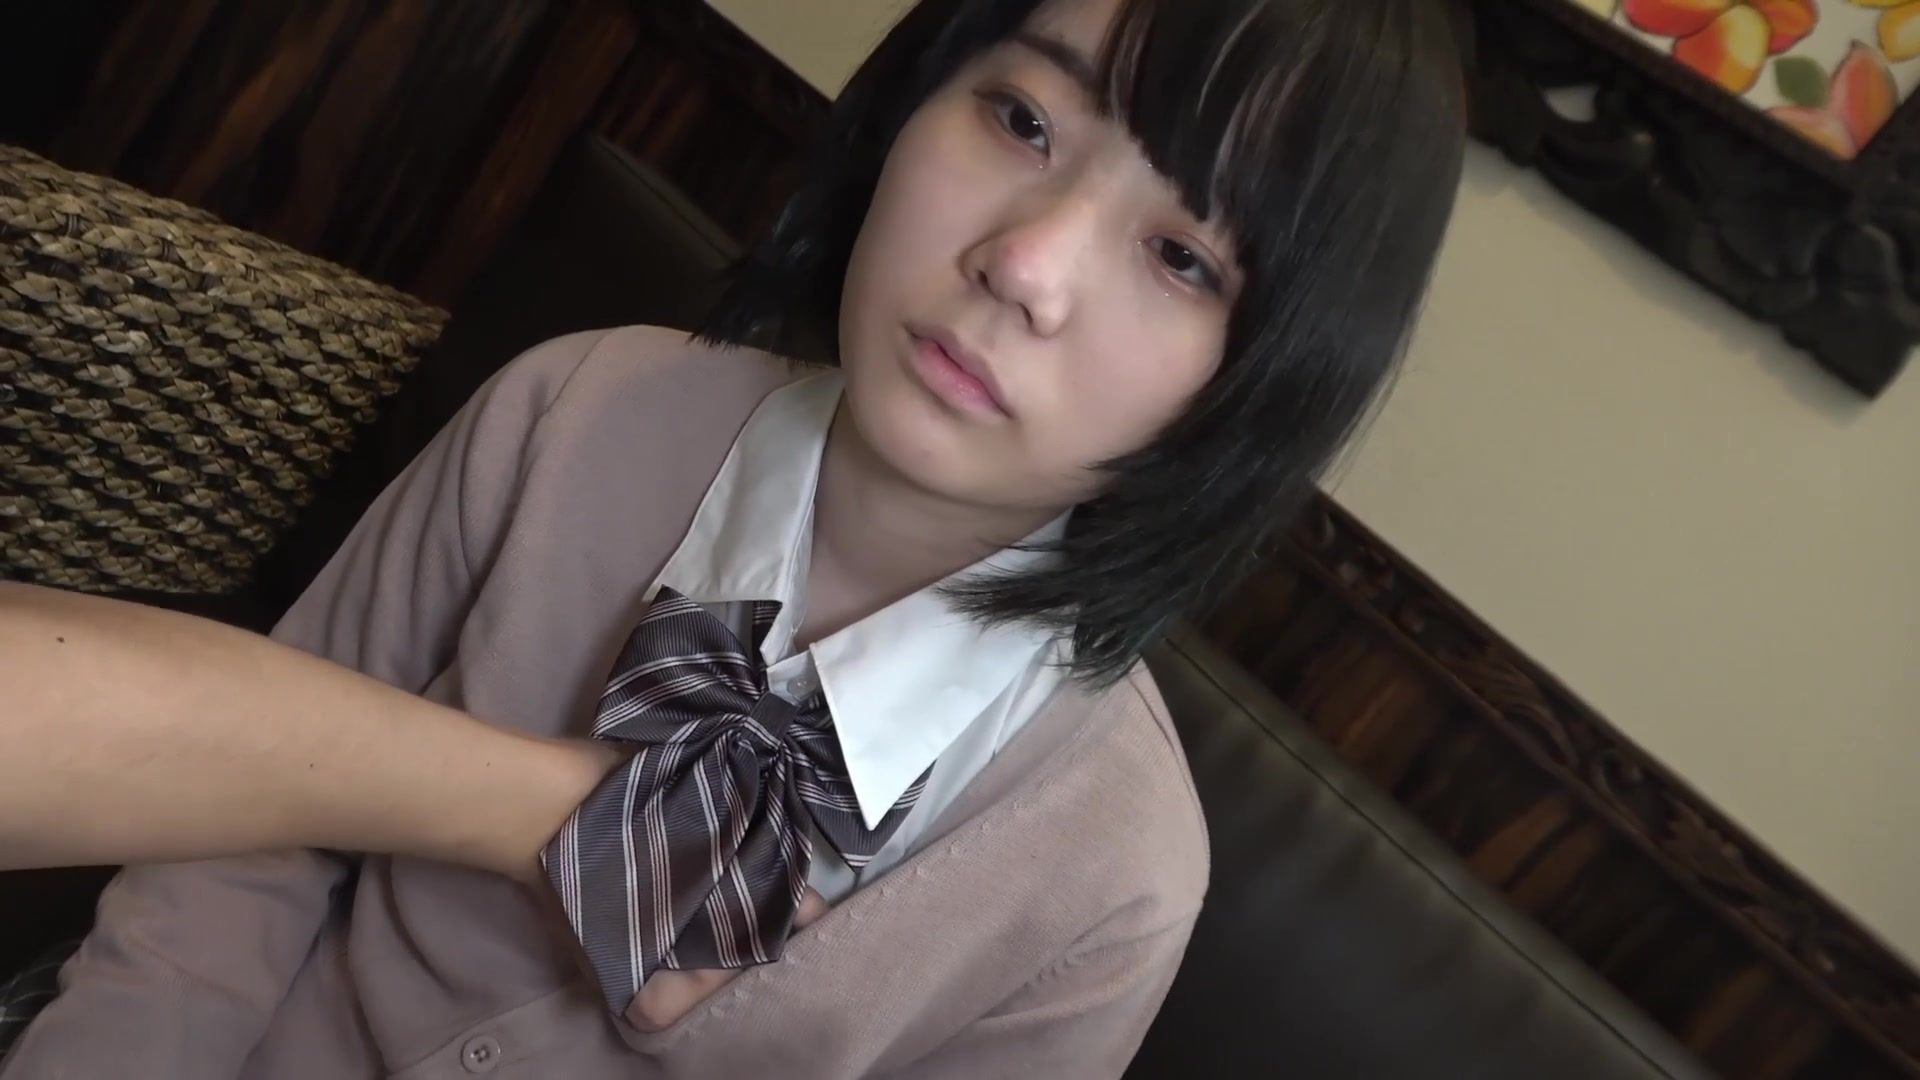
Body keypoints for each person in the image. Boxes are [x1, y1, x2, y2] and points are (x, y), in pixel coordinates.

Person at [0, 0, 1466, 1074]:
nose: (1024, 264)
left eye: (1182, 257)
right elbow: (231, 859)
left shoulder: (1114, 881)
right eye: (1023, 120)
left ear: (1260, 385)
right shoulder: (572, 409)